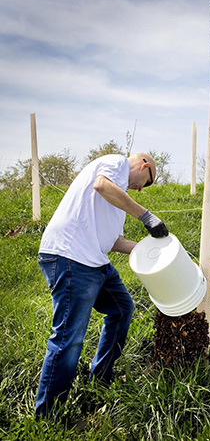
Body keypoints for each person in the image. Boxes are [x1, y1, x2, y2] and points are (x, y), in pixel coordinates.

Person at [35, 153, 169, 418]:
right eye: (146, 181)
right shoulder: (116, 162)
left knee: (121, 309)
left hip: (94, 259)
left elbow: (115, 242)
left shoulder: (117, 200)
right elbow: (101, 186)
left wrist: (156, 248)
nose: (141, 189)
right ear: (144, 165)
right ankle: (48, 415)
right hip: (70, 256)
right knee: (68, 337)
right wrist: (146, 216)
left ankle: (101, 377)